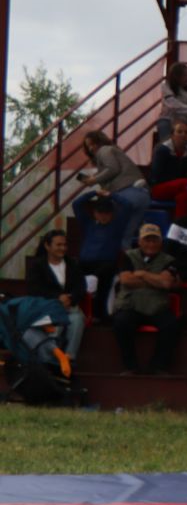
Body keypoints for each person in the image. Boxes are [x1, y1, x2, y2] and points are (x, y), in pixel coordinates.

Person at [109, 225, 180, 375]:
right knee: (121, 322)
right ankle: (131, 367)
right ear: (140, 241)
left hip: (157, 306)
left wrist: (142, 274)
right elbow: (126, 280)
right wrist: (156, 280)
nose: (151, 244)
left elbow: (166, 283)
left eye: (155, 240)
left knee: (172, 324)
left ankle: (158, 366)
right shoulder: (128, 255)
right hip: (131, 305)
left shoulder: (169, 260)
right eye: (147, 240)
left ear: (161, 242)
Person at [77, 130, 150, 248]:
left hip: (127, 194)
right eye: (89, 146)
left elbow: (113, 169)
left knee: (119, 236)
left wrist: (94, 180)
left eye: (93, 144)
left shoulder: (104, 150)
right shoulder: (113, 152)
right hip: (141, 195)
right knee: (126, 236)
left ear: (99, 142)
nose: (91, 148)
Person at [27, 232, 86, 360]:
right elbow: (34, 289)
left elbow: (81, 287)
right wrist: (57, 297)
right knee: (56, 323)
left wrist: (70, 299)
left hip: (69, 307)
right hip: (47, 308)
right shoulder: (37, 265)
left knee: (77, 320)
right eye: (58, 245)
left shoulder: (72, 264)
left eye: (65, 245)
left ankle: (69, 357)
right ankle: (50, 357)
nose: (63, 248)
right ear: (47, 246)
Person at [147, 118, 187, 217]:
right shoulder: (162, 151)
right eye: (179, 132)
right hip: (159, 188)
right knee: (185, 183)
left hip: (180, 189)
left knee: (182, 198)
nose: (183, 135)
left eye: (186, 132)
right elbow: (156, 176)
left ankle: (180, 225)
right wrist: (181, 179)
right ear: (172, 135)